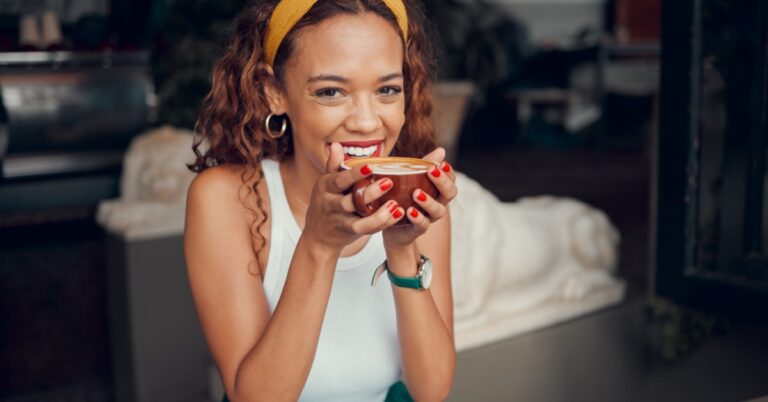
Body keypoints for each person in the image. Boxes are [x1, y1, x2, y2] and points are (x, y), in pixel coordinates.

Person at [184, 0, 457, 401]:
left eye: (387, 90)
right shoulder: (226, 199)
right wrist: (319, 243)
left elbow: (432, 391)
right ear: (274, 92)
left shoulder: (421, 205)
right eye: (331, 92)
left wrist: (402, 248)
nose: (366, 122)